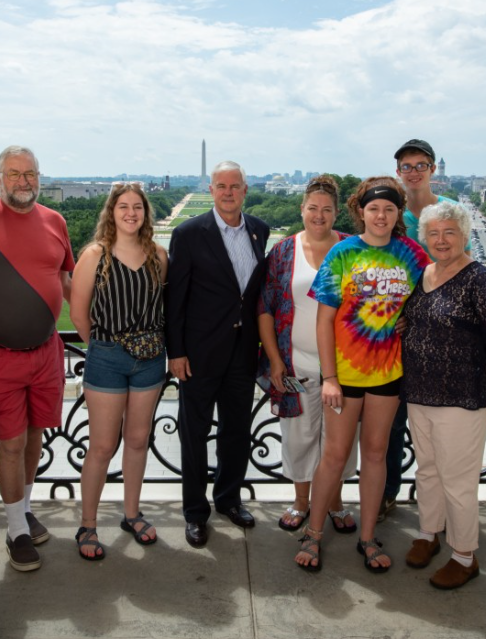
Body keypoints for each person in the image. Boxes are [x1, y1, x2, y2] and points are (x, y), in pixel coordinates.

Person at [295, 176, 430, 573]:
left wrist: (409, 317)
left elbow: (429, 296)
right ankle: (313, 533)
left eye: (389, 209)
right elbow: (324, 320)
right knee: (335, 456)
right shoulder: (343, 252)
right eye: (374, 208)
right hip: (346, 375)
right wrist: (329, 377)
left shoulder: (411, 253)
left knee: (374, 454)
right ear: (361, 211)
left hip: (388, 374)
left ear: (398, 213)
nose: (381, 216)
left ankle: (368, 537)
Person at [401, 201, 486, 589]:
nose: (441, 240)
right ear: (425, 238)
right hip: (420, 390)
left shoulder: (480, 280)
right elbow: (417, 318)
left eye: (449, 233)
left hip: (462, 396)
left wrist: (483, 373)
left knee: (457, 479)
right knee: (427, 469)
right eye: (434, 234)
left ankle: (464, 555)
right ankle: (428, 533)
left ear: (464, 235)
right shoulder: (425, 273)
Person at [0, 145, 74, 572]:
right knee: (10, 443)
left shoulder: (55, 220)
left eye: (30, 173)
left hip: (46, 352)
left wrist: (94, 322)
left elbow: (65, 279)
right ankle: (15, 531)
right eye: (14, 174)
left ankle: (23, 509)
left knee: (33, 437)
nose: (23, 181)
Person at [165, 160, 270, 548]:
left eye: (235, 186)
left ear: (245, 190)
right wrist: (176, 352)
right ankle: (195, 512)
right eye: (221, 186)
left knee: (236, 432)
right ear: (210, 190)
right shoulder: (189, 233)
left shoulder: (259, 230)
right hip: (199, 354)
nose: (228, 192)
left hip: (243, 353)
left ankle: (229, 499)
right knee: (194, 434)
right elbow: (175, 298)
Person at [69, 183, 168, 560]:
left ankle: (131, 514)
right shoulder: (95, 255)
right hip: (107, 356)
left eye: (137, 207)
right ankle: (88, 524)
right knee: (102, 445)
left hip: (150, 358)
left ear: (145, 213)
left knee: (138, 440)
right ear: (111, 212)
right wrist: (108, 346)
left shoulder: (159, 255)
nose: (131, 213)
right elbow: (79, 313)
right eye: (123, 206)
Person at [257, 175, 359, 534]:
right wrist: (275, 359)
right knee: (299, 435)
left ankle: (334, 501)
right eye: (313, 208)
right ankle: (301, 501)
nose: (319, 215)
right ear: (302, 209)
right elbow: (265, 309)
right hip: (295, 362)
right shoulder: (284, 251)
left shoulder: (352, 248)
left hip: (345, 366)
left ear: (336, 213)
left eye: (327, 209)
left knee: (340, 440)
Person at [379, 139, 471, 523]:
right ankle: (386, 495)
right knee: (391, 424)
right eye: (407, 166)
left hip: (439, 333)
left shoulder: (449, 211)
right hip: (396, 335)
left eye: (420, 165)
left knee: (440, 429)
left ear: (432, 168)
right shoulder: (389, 211)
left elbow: (462, 267)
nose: (414, 172)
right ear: (398, 171)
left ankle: (442, 506)